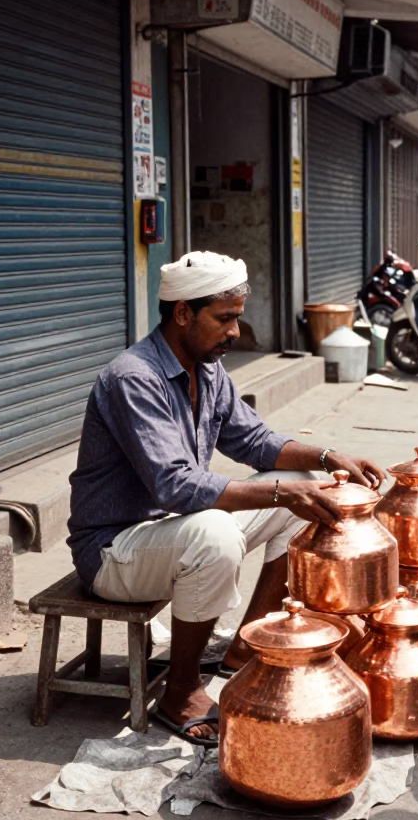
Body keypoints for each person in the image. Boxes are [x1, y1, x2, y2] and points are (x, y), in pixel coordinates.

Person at [68, 251, 384, 745]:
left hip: (172, 531)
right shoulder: (134, 378)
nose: (236, 332)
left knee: (307, 488)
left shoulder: (208, 369)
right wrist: (283, 492)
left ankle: (243, 648)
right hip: (114, 551)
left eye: (237, 317)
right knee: (224, 528)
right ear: (182, 314)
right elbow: (176, 486)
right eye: (225, 318)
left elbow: (256, 442)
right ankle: (180, 691)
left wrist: (327, 457)